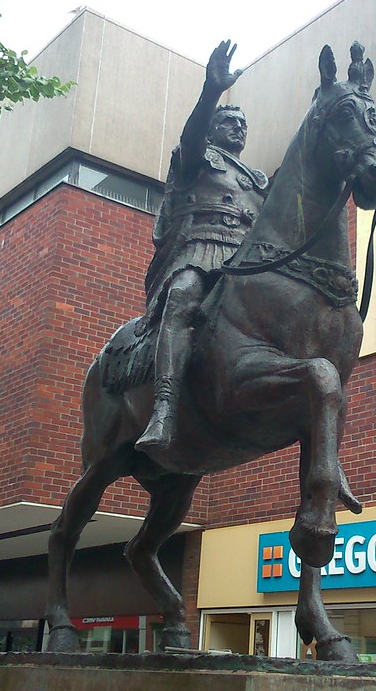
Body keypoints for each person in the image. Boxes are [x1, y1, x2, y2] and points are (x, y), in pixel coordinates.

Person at [135, 39, 269, 454]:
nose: (239, 128)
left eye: (243, 123)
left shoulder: (257, 178)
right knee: (183, 297)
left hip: (245, 260)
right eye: (230, 122)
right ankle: (164, 407)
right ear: (213, 129)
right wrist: (212, 91)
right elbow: (190, 135)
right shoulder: (195, 156)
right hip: (201, 249)